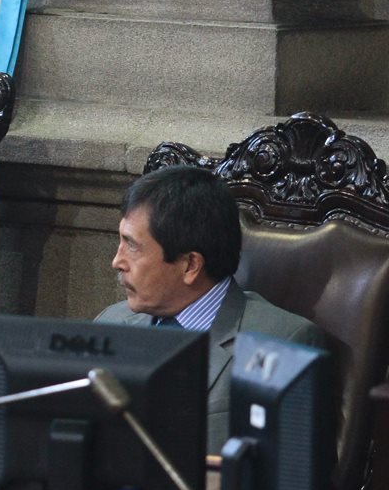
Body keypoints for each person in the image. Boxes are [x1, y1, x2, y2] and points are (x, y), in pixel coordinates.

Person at [96, 164, 325, 452]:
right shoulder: (112, 322)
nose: (117, 261)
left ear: (190, 265)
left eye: (132, 246)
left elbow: (291, 482)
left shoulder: (281, 343)